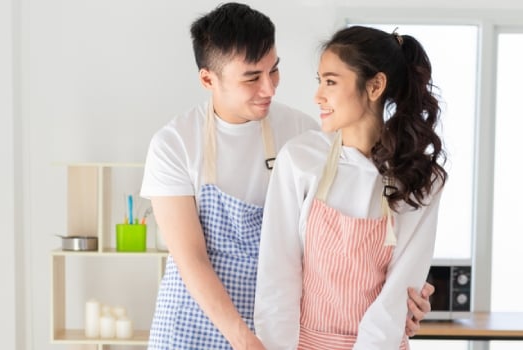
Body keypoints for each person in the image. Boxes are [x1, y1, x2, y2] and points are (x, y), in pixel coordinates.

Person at [140, 4, 434, 349]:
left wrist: (409, 299)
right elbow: (192, 258)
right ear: (208, 79)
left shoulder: (303, 134)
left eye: (274, 70)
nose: (269, 88)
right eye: (252, 77)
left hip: (280, 325)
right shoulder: (175, 143)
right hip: (197, 321)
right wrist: (244, 339)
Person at [254, 25, 448, 350]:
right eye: (320, 81)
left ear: (375, 86)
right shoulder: (300, 159)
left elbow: (398, 294)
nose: (318, 96)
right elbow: (278, 275)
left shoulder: (421, 179)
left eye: (330, 81)